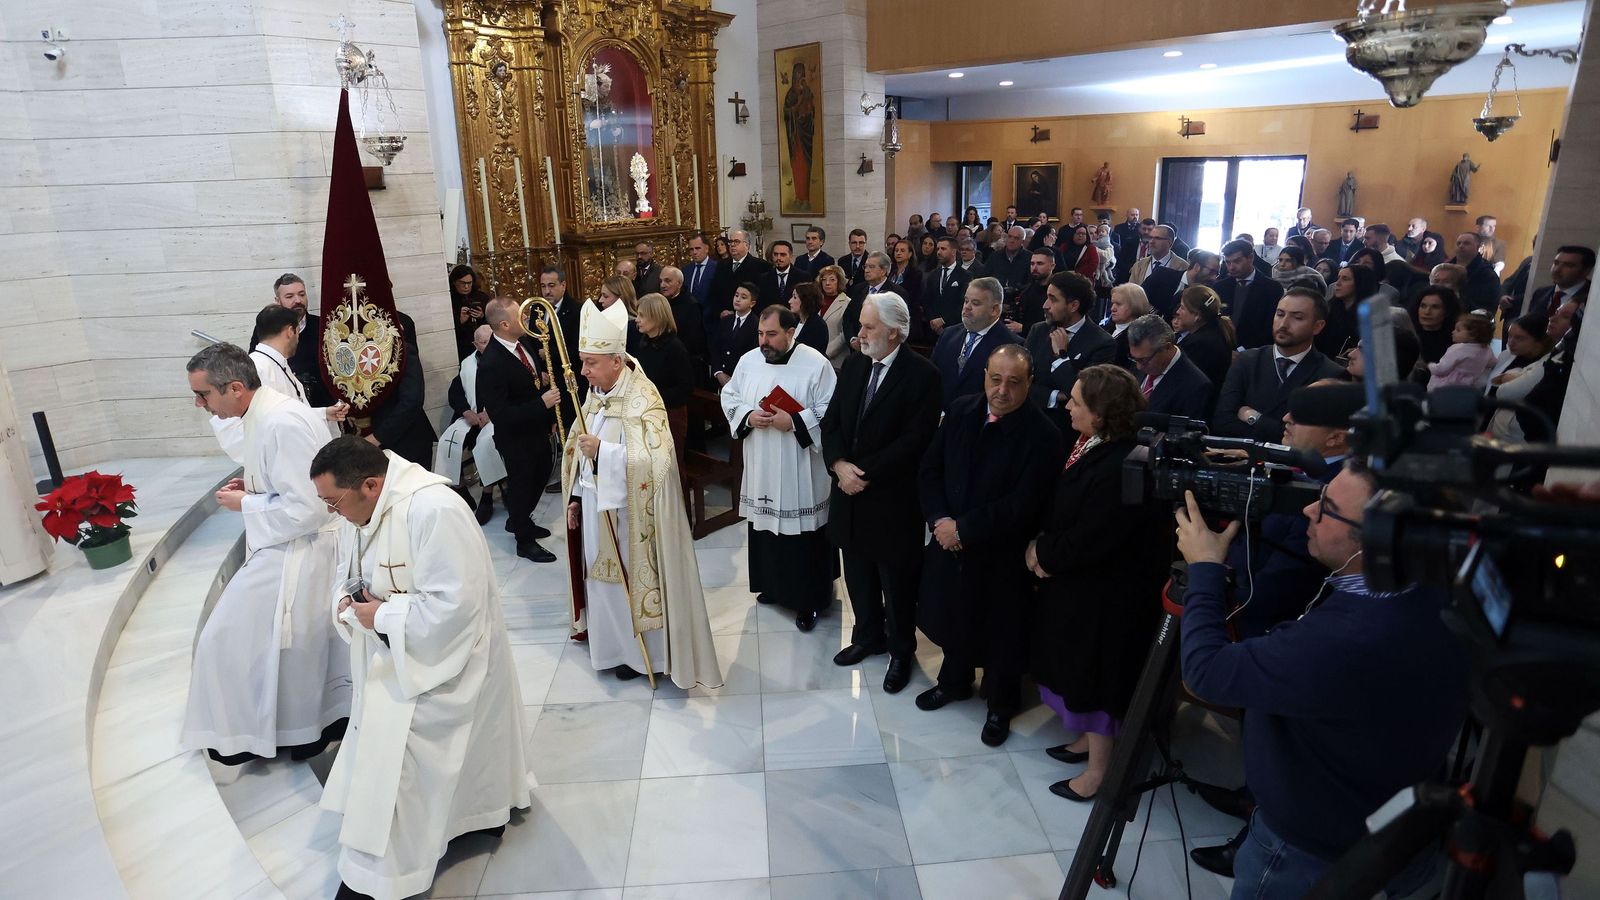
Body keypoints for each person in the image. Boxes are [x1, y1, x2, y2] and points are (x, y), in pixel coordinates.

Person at [1174, 468, 1469, 899]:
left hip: (1303, 855)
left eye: (1328, 509)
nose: (1309, 511)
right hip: (1382, 826)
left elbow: (1204, 671)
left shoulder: (1353, 639)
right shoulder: (1434, 589)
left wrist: (1204, 570)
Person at [310, 436, 532, 900]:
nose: (332, 511)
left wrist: (383, 616)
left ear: (371, 485)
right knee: (382, 740)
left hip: (450, 660)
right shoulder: (361, 508)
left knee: (402, 757)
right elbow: (346, 572)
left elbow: (456, 607)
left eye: (334, 501)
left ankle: (388, 875)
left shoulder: (435, 510)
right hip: (400, 652)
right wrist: (346, 604)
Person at [181, 343, 351, 765]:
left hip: (303, 547)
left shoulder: (280, 421)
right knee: (284, 649)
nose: (200, 404)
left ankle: (252, 732)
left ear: (235, 387)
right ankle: (276, 728)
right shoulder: (259, 413)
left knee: (225, 636)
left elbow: (310, 508)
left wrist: (248, 505)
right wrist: (253, 489)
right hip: (286, 540)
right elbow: (286, 483)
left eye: (203, 395)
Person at [559, 301, 722, 684]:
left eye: (591, 363)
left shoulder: (643, 399)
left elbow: (656, 461)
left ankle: (644, 655)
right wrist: (577, 499)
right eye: (582, 361)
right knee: (601, 584)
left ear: (616, 361)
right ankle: (612, 647)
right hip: (597, 509)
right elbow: (576, 449)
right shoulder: (596, 394)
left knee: (630, 585)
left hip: (633, 516)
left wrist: (604, 453)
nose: (583, 371)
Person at [1028, 364, 1169, 799]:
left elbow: (1098, 534)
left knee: (1098, 678)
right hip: (1082, 587)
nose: (1066, 405)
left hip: (1108, 597)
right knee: (1077, 669)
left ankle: (1099, 775)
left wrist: (1043, 556)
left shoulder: (1123, 464)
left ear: (1103, 414)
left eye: (1076, 401)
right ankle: (1085, 740)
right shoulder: (1096, 443)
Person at [916, 344, 1064, 746]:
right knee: (953, 614)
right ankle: (954, 682)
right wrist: (940, 521)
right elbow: (930, 469)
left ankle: (1001, 705)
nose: (1001, 390)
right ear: (984, 375)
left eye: (1014, 383)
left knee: (1002, 630)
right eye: (995, 379)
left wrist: (963, 529)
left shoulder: (1044, 435)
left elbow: (1024, 503)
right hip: (949, 540)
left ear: (1029, 383)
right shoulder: (963, 409)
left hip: (1000, 552)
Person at [821, 294, 942, 692]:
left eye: (869, 326)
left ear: (894, 331)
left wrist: (863, 473)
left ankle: (901, 651)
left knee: (896, 580)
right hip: (849, 493)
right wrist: (839, 465)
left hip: (890, 498)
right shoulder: (856, 364)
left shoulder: (922, 375)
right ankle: (867, 636)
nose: (860, 333)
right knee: (856, 573)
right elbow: (833, 421)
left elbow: (915, 440)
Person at [721, 305, 840, 632]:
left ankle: (808, 600)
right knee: (766, 529)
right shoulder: (748, 361)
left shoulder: (816, 364)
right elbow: (729, 396)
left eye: (771, 334)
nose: (764, 341)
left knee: (803, 536)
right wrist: (747, 415)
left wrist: (796, 421)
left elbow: (832, 411)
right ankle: (772, 586)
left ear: (791, 332)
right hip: (762, 463)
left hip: (799, 465)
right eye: (760, 334)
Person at [476, 297, 562, 563]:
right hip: (516, 439)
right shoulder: (491, 363)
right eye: (519, 316)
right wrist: (541, 403)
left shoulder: (520, 343)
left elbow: (525, 377)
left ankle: (519, 520)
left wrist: (540, 381)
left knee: (541, 474)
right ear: (504, 324)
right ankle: (524, 541)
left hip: (537, 431)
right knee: (523, 485)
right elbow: (501, 415)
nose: (525, 319)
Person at [1212, 289, 1345, 443]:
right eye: (1280, 314)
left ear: (1318, 326)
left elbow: (1308, 440)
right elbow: (1222, 422)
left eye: (1298, 317)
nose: (1283, 324)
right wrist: (1277, 430)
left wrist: (1254, 417)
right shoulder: (1247, 360)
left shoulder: (1331, 375)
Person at [1024, 271, 1115, 433]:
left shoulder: (1102, 343)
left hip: (1066, 431)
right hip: (1028, 422)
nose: (1045, 305)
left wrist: (1061, 356)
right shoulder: (1038, 331)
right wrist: (1055, 396)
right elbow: (1022, 383)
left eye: (1053, 299)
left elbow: (1086, 396)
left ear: (1073, 305)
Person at [434, 324, 506, 525]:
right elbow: (455, 391)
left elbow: (511, 393)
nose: (488, 346)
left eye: (491, 341)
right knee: (447, 442)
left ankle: (487, 496)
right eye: (483, 342)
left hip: (497, 418)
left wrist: (490, 413)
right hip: (472, 418)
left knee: (485, 446)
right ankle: (459, 489)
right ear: (475, 344)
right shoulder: (467, 364)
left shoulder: (504, 360)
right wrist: (467, 412)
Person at [931, 276, 1023, 409]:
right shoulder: (948, 334)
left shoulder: (1012, 347)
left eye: (975, 303)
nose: (967, 307)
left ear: (995, 310)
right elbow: (933, 378)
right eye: (966, 301)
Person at [634, 292, 695, 468]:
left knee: (670, 465)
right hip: (646, 412)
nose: (637, 319)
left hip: (670, 415)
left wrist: (654, 397)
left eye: (642, 315)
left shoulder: (675, 348)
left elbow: (686, 388)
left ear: (657, 316)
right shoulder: (644, 342)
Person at [263, 272, 334, 406]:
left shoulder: (323, 326)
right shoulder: (266, 328)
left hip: (324, 406)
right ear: (278, 301)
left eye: (302, 294)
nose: (298, 300)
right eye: (289, 296)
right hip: (285, 404)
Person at [1127, 314, 1211, 421]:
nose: (1138, 367)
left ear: (1167, 347)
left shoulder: (1196, 387)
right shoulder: (1143, 356)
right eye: (1134, 359)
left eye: (1143, 360)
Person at [1215, 239, 1286, 351]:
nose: (1231, 267)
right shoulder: (1220, 287)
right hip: (1221, 348)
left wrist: (1242, 350)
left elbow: (1270, 326)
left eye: (1237, 261)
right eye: (1228, 262)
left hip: (1254, 352)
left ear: (1251, 258)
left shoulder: (1272, 288)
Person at [1172, 285, 1235, 397]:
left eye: (1182, 308)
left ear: (1196, 315)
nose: (1178, 311)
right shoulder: (1214, 331)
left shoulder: (1199, 344)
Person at [707, 230, 773, 331]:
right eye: (730, 242)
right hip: (723, 321)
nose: (732, 245)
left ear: (746, 245)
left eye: (736, 242)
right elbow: (714, 292)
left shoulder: (761, 266)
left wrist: (741, 312)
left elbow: (763, 296)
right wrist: (720, 312)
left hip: (749, 322)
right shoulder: (721, 265)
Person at [1506, 245, 1593, 320]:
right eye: (1556, 263)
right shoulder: (1541, 293)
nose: (1557, 270)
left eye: (1568, 265)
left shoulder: (1590, 299)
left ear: (1586, 271)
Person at [840, 251, 905, 347]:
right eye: (865, 266)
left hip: (883, 347)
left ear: (883, 271)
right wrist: (852, 339)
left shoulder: (896, 293)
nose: (866, 270)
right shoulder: (857, 289)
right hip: (858, 348)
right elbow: (848, 318)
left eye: (871, 267)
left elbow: (899, 325)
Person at [1317, 262, 1378, 360]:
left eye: (1345, 279)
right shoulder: (1327, 308)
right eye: (1338, 278)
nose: (1338, 283)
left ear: (1360, 283)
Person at [657, 265, 706, 384]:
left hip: (684, 363)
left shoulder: (691, 305)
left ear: (679, 283)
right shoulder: (660, 301)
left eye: (668, 281)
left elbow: (692, 341)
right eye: (661, 281)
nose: (662, 285)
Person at [1427, 311, 1496, 390]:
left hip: (1447, 386)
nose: (1453, 332)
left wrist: (1431, 366)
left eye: (1458, 330)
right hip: (1471, 386)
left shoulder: (1458, 349)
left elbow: (1442, 369)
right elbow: (1493, 363)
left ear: (1473, 335)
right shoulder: (1487, 349)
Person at [923, 234, 972, 342]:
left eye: (943, 249)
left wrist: (944, 320)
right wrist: (933, 320)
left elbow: (963, 303)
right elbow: (927, 301)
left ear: (954, 252)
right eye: (938, 249)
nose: (939, 252)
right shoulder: (933, 275)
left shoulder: (965, 276)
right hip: (933, 329)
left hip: (955, 329)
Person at [712, 283, 761, 386]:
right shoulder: (726, 320)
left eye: (743, 297)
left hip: (741, 380)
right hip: (720, 377)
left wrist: (735, 379)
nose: (737, 299)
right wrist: (718, 372)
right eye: (736, 295)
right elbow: (715, 347)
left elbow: (753, 356)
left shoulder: (756, 325)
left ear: (752, 303)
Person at [1409, 285, 1462, 373]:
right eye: (1423, 306)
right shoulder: (1408, 336)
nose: (1427, 312)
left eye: (1435, 307)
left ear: (1447, 312)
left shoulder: (1456, 341)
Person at [1448, 232, 1502, 312]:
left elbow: (1488, 306)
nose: (1461, 246)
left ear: (1478, 247)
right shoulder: (1445, 268)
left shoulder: (1487, 274)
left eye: (1466, 243)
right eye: (1458, 243)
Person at [1104, 283, 1151, 371]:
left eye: (1118, 304)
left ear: (1135, 305)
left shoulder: (1139, 338)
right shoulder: (1106, 328)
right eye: (1113, 303)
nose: (1112, 308)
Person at [814, 263, 853, 368]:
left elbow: (844, 333)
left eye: (832, 280)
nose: (827, 283)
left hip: (836, 360)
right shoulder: (815, 301)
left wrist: (826, 353)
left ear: (839, 282)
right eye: (824, 279)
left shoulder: (847, 302)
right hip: (814, 357)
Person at [448, 264, 490, 361]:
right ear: (454, 282)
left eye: (469, 283)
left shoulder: (481, 297)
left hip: (483, 344)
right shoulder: (449, 300)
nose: (466, 286)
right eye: (462, 283)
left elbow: (493, 321)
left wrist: (482, 316)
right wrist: (460, 321)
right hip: (460, 346)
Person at [1012, 248, 1057, 333]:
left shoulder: (1058, 292)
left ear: (1052, 266)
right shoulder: (1027, 290)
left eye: (1040, 264)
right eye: (1032, 264)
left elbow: (1055, 323)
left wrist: (1024, 328)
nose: (1034, 268)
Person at [759, 239, 809, 309]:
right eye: (775, 254)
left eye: (783, 254)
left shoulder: (803, 277)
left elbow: (807, 304)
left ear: (791, 256)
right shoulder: (763, 278)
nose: (778, 258)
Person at [789, 281, 829, 354]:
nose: (789, 301)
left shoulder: (817, 326)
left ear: (805, 300)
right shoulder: (795, 321)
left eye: (794, 297)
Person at [683, 232, 719, 308]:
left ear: (706, 249)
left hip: (712, 316)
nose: (694, 252)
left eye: (697, 248)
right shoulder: (686, 270)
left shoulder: (717, 268)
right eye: (691, 249)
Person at [887, 237, 924, 302]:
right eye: (896, 250)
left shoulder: (915, 274)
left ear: (910, 254)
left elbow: (913, 297)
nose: (898, 253)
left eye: (902, 250)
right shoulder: (889, 270)